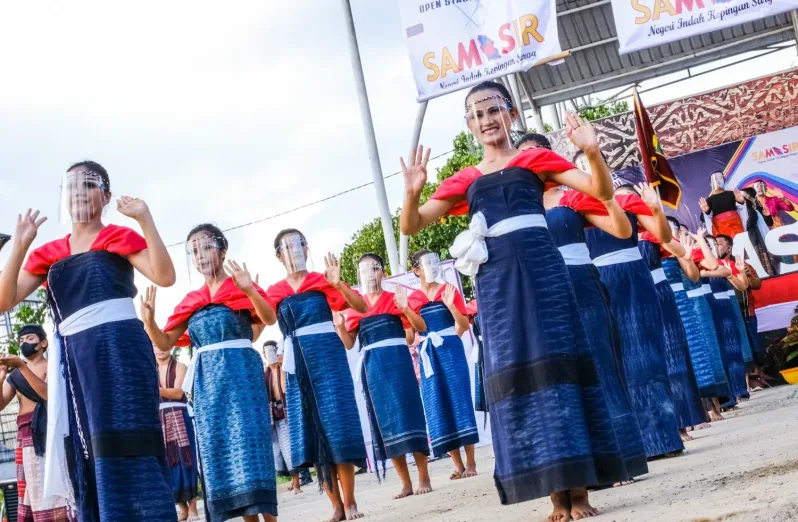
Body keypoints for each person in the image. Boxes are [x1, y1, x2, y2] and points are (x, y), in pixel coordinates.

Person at [400, 79, 626, 520]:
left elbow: (601, 191)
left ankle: (578, 493)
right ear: (469, 124)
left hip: (544, 272)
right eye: (477, 113)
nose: (487, 120)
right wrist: (411, 192)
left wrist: (593, 152)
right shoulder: (465, 179)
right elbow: (412, 226)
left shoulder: (535, 159)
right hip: (498, 288)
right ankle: (553, 495)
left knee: (560, 366)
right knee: (522, 378)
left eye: (493, 109)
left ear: (511, 114)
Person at [0, 161, 177, 521]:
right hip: (77, 360)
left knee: (133, 438)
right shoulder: (48, 253)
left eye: (89, 185)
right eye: (73, 186)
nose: (80, 192)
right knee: (89, 446)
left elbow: (165, 275)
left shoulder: (117, 237)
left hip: (123, 350)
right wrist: (18, 246)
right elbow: (5, 300)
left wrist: (144, 218)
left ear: (106, 195)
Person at [142, 223, 279, 522]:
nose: (200, 256)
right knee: (222, 451)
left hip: (243, 377)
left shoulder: (240, 287)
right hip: (208, 386)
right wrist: (150, 321)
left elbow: (268, 317)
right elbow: (164, 341)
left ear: (222, 249)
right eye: (193, 251)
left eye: (206, 247)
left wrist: (249, 290)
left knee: (251, 448)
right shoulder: (191, 301)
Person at [541, 183, 649, 484]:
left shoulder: (573, 195)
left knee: (602, 366)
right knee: (562, 377)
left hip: (583, 286)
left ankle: (622, 460)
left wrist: (607, 197)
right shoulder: (519, 202)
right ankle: (580, 471)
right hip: (542, 295)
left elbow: (621, 228)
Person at [265, 228, 368, 522]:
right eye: (287, 247)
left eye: (299, 244)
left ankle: (350, 502)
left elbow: (361, 307)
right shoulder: (274, 292)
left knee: (338, 426)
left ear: (307, 248)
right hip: (297, 364)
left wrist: (339, 284)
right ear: (278, 256)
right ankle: (335, 505)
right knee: (310, 432)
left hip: (329, 358)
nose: (294, 251)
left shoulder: (324, 280)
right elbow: (264, 321)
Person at [584, 183, 685, 460]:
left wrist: (654, 208)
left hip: (634, 279)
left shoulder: (626, 200)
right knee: (614, 362)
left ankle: (664, 438)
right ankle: (633, 444)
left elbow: (663, 236)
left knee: (648, 356)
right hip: (597, 283)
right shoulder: (573, 203)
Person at [335, 253, 432, 500]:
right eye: (366, 270)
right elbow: (349, 344)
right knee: (385, 424)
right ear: (359, 276)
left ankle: (423, 477)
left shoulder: (395, 299)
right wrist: (338, 326)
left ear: (383, 272)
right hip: (374, 370)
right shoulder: (355, 307)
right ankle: (406, 483)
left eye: (375, 269)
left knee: (410, 416)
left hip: (398, 364)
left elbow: (415, 333)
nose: (371, 274)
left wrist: (406, 309)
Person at [406, 251, 479, 481]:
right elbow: (419, 329)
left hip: (451, 350)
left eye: (434, 262)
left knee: (459, 400)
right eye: (425, 263)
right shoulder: (413, 298)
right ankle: (456, 464)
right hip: (429, 351)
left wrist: (451, 306)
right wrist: (406, 310)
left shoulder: (449, 290)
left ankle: (471, 462)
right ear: (416, 270)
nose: (430, 267)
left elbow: (464, 325)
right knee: (437, 403)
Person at [637, 213, 706, 441]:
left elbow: (693, 274)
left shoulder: (654, 236)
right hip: (631, 298)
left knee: (673, 360)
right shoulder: (606, 231)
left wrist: (687, 252)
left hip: (661, 296)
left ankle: (681, 424)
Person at [0, 325, 73, 522]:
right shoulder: (14, 376)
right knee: (32, 489)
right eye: (21, 340)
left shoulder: (53, 365)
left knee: (55, 485)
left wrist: (22, 366)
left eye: (29, 338)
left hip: (49, 434)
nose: (24, 343)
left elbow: (48, 394)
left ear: (43, 343)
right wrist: (1, 377)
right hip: (25, 438)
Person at [661, 220, 730, 423]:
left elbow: (713, 265)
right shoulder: (651, 243)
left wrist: (699, 241)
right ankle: (693, 415)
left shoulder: (681, 247)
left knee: (701, 357)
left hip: (689, 305)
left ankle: (710, 409)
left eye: (676, 228)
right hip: (667, 303)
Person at [698, 235, 750, 405]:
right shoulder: (699, 261)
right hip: (707, 306)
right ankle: (726, 396)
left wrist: (738, 272)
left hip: (725, 307)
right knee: (717, 351)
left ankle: (739, 390)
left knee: (733, 349)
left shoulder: (727, 264)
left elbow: (742, 286)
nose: (714, 247)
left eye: (715, 244)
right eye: (710, 245)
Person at [154, 347, 200, 522]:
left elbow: (178, 392)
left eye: (162, 346)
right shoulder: (151, 368)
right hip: (160, 419)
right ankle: (182, 508)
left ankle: (194, 507)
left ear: (170, 347)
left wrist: (153, 387)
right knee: (168, 462)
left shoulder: (180, 366)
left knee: (187, 460)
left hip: (180, 414)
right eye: (156, 347)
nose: (160, 350)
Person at [262, 340, 304, 495]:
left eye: (273, 350)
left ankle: (298, 483)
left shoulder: (285, 368)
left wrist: (282, 363)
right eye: (267, 351)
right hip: (274, 414)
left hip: (289, 410)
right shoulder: (264, 374)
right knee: (280, 450)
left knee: (290, 447)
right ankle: (294, 481)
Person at [699, 172, 746, 238]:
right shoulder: (709, 201)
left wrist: (741, 202)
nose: (717, 181)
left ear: (724, 180)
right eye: (715, 179)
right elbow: (702, 219)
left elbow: (743, 211)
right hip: (721, 231)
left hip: (737, 227)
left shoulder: (733, 194)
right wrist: (706, 211)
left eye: (720, 178)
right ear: (711, 183)